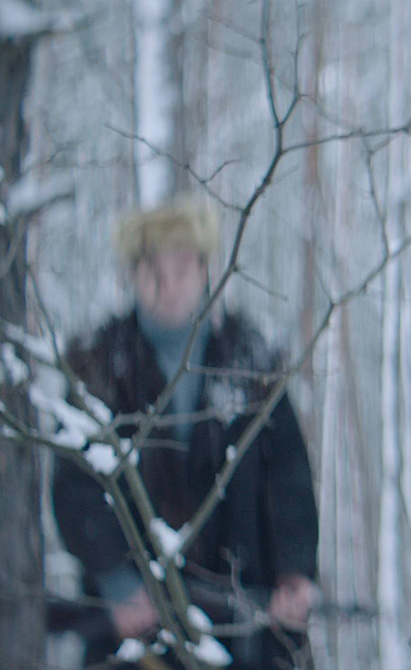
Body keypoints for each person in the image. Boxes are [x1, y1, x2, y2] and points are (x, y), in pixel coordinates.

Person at [51, 198, 320, 668]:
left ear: (204, 268)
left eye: (181, 268)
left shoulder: (252, 361)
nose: (169, 285)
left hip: (242, 626)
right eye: (153, 270)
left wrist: (293, 572)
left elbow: (288, 475)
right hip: (134, 631)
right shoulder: (98, 364)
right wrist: (117, 581)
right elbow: (75, 484)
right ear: (132, 273)